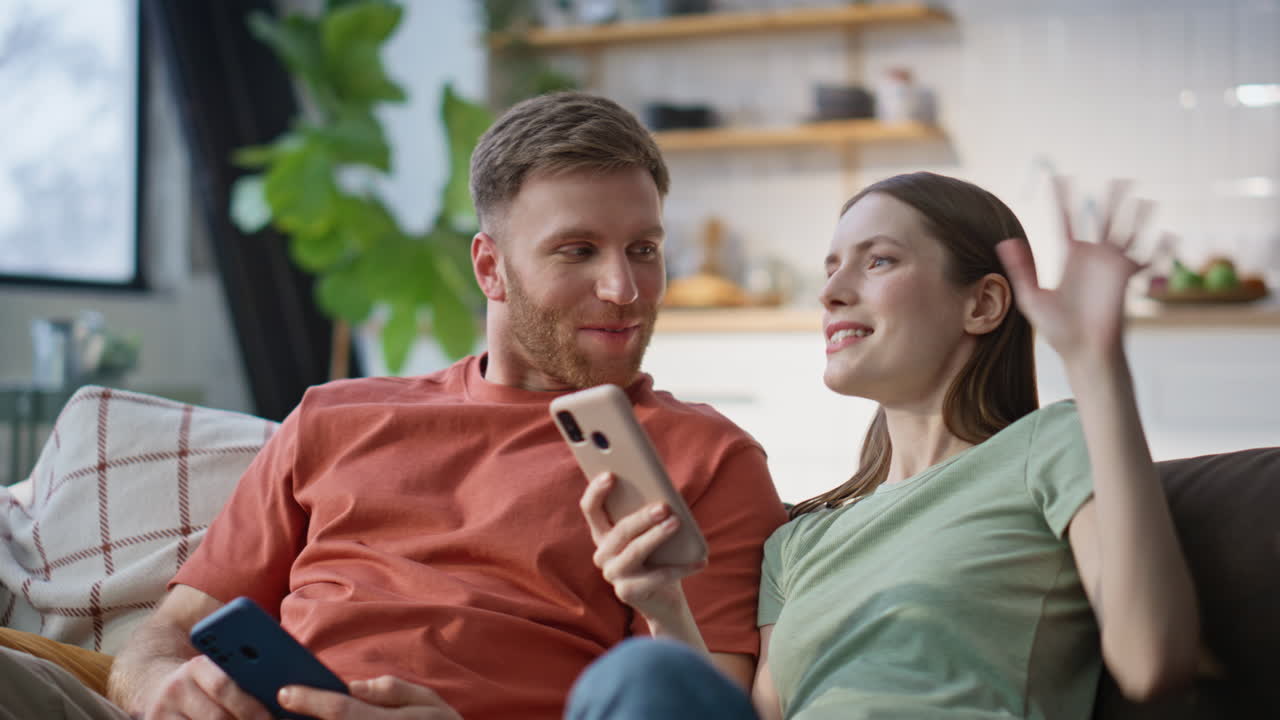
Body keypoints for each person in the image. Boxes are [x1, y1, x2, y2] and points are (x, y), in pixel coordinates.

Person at [0, 92, 788, 720]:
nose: (624, 290)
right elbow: (163, 638)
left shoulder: (704, 458)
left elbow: (686, 700)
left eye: (643, 250)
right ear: (491, 268)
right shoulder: (335, 419)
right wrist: (158, 688)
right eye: (577, 251)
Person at [567, 172, 1201, 720]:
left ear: (982, 303)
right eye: (832, 267)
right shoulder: (799, 541)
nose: (831, 291)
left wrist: (1097, 365)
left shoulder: (1049, 444)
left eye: (878, 261)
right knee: (642, 672)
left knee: (635, 677)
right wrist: (663, 606)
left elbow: (1151, 660)